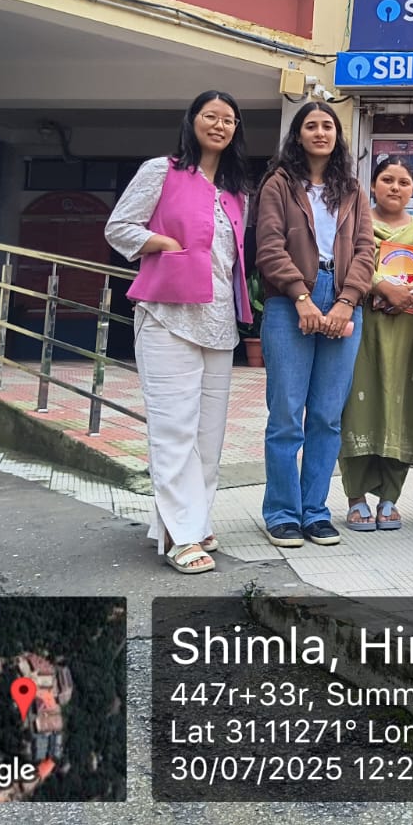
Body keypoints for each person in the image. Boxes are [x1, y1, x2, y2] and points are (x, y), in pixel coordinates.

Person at [105, 91, 253, 575]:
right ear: (192, 121)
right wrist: (162, 242)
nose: (219, 125)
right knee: (173, 429)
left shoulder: (236, 190)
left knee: (209, 435)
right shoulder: (161, 171)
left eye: (229, 119)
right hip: (167, 314)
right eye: (210, 116)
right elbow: (119, 226)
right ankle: (179, 535)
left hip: (219, 321)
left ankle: (193, 520)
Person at [255, 101, 374, 548]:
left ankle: (315, 511)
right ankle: (283, 513)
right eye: (311, 125)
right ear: (298, 135)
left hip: (341, 298)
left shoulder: (352, 189)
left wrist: (346, 301)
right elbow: (269, 246)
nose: (320, 132)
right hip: (291, 301)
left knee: (326, 415)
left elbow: (366, 250)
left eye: (328, 126)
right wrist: (300, 296)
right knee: (287, 412)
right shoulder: (279, 183)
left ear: (338, 136)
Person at [338, 155, 413, 531]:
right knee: (357, 404)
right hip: (364, 326)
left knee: (404, 404)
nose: (395, 187)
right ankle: (356, 497)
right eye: (387, 180)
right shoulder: (356, 224)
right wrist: (381, 286)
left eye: (403, 182)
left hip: (409, 332)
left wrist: (410, 293)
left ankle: (390, 497)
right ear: (373, 185)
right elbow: (347, 261)